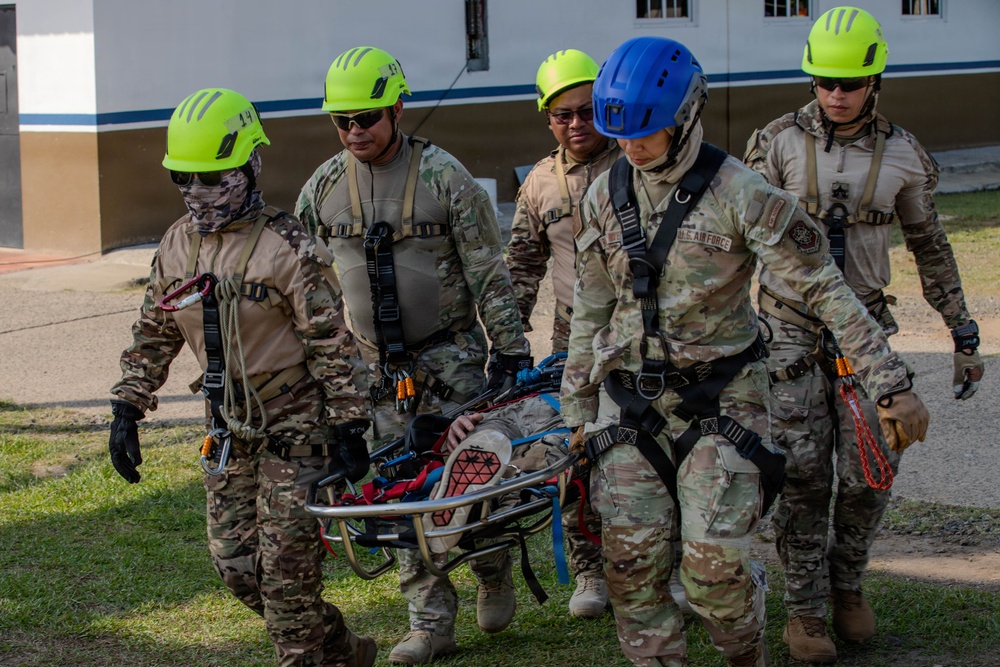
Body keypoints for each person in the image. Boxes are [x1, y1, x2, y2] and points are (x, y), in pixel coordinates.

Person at [562, 36, 930, 667]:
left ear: (686, 116)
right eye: (619, 134)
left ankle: (744, 652)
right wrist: (576, 411)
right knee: (631, 573)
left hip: (720, 402)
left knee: (715, 575)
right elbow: (591, 309)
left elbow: (826, 289)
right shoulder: (603, 193)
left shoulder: (743, 192)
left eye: (647, 132)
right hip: (630, 407)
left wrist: (888, 382)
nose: (631, 147)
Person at [742, 7, 984, 664]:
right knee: (802, 475)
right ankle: (806, 608)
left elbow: (931, 247)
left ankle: (847, 583)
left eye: (850, 83)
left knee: (871, 473)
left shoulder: (905, 153)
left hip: (867, 335)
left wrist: (962, 330)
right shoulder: (775, 143)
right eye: (824, 82)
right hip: (788, 332)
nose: (836, 94)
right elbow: (738, 239)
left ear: (875, 78)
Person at [109, 88, 376, 667]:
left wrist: (352, 427)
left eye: (213, 177)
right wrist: (127, 407)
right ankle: (344, 650)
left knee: (285, 581)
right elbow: (156, 330)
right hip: (229, 429)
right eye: (184, 179)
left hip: (296, 429)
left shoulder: (288, 247)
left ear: (252, 165)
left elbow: (332, 343)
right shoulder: (177, 246)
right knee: (237, 568)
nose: (197, 193)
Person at [294, 46, 532, 665]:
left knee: (470, 474)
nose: (354, 132)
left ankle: (490, 566)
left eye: (366, 117)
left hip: (451, 357)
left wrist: (509, 349)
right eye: (341, 121)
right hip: (375, 371)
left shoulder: (444, 177)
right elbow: (304, 284)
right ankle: (429, 622)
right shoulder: (322, 188)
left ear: (397, 106)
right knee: (400, 487)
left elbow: (489, 270)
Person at [505, 48, 622, 619]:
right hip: (571, 340)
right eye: (561, 115)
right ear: (546, 118)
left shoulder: (638, 162)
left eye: (586, 110)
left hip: (642, 338)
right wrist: (507, 346)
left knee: (658, 447)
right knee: (572, 456)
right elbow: (522, 269)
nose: (576, 124)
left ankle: (665, 565)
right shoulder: (540, 183)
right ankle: (590, 573)